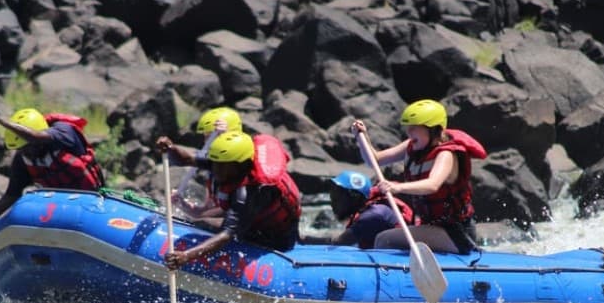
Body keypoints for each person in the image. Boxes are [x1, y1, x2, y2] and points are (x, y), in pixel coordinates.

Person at [353, 99, 487, 254]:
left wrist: (397, 187)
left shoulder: (446, 154)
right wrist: (362, 137)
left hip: (457, 234)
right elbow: (374, 160)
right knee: (382, 238)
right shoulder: (412, 146)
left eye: (414, 128)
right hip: (432, 227)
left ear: (433, 129)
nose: (409, 132)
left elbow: (432, 185)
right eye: (408, 127)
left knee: (384, 240)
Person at [162, 131, 301, 270]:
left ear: (242, 164)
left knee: (205, 223)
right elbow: (186, 159)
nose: (215, 169)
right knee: (201, 218)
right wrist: (170, 148)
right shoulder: (224, 163)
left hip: (274, 237)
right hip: (253, 217)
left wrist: (186, 256)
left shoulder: (249, 193)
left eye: (222, 165)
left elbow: (226, 235)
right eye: (215, 163)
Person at [0, 104, 105, 237]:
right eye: (21, 149)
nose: (26, 153)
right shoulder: (23, 158)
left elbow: (35, 137)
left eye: (28, 147)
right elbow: (12, 195)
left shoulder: (64, 132)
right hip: (59, 210)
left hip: (91, 204)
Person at [156, 107, 243, 222]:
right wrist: (182, 204)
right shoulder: (213, 167)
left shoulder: (240, 167)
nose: (207, 142)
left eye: (212, 137)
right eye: (206, 137)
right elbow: (206, 211)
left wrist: (199, 218)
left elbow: (218, 215)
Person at [327, 170, 413, 249]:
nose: (332, 204)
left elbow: (338, 242)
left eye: (336, 198)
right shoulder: (367, 211)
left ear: (355, 196)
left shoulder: (372, 217)